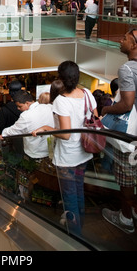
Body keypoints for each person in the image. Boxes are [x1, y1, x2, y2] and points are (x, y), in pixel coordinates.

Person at [32, 61, 98, 236]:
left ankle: (74, 235)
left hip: (68, 158)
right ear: (77, 77)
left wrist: (46, 128)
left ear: (60, 77)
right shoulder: (87, 94)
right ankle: (80, 226)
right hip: (84, 153)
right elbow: (95, 119)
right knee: (78, 191)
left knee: (69, 197)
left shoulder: (61, 100)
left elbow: (65, 134)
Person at [100, 28, 137, 234]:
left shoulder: (127, 69)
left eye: (124, 39)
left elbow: (127, 103)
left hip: (129, 135)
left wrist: (107, 109)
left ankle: (125, 218)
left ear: (134, 45)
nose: (119, 41)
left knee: (126, 177)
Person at [0, 90, 55, 161]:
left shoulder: (26, 115)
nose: (18, 109)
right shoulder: (49, 107)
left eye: (20, 106)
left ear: (27, 103)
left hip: (35, 153)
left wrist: (3, 133)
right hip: (50, 150)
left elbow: (14, 130)